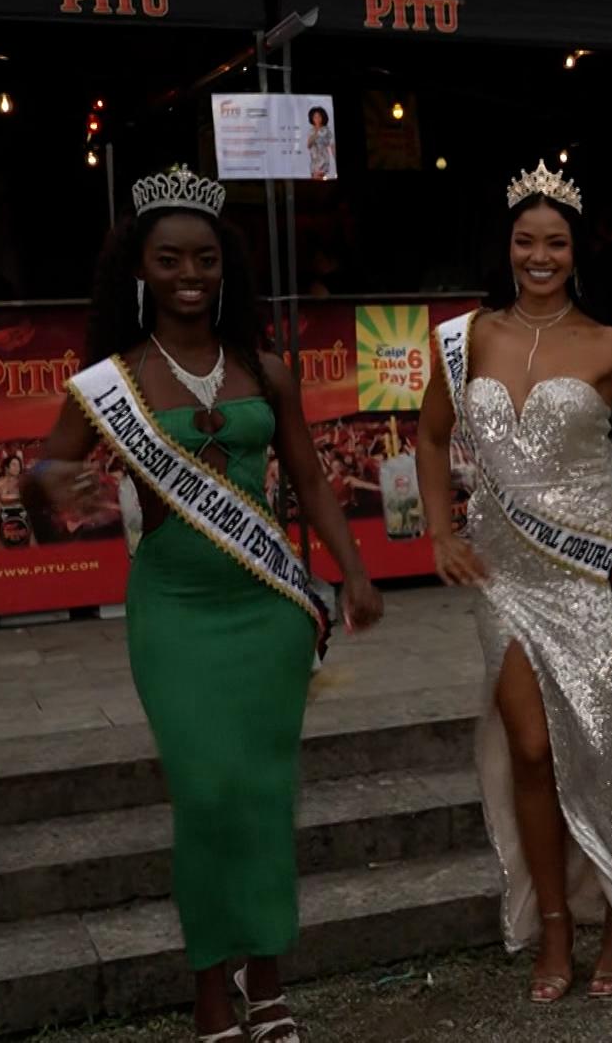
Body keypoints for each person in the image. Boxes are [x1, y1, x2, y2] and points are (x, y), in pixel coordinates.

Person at [27, 167, 383, 1043]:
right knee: (206, 793)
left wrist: (353, 569)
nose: (190, 274)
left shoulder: (268, 369)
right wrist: (52, 485)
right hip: (175, 610)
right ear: (139, 271)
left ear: (227, 267)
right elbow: (41, 480)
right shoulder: (111, 382)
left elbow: (308, 477)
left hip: (265, 611)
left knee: (263, 795)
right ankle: (208, 990)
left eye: (206, 259)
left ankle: (266, 984)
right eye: (170, 260)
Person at [417, 160, 612, 1003]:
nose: (539, 256)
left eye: (555, 242)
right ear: (508, 247)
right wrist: (441, 529)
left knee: (606, 748)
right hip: (504, 575)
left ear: (576, 250)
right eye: (526, 241)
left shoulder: (611, 345)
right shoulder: (469, 337)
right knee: (527, 746)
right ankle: (553, 926)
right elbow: (429, 436)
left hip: (593, 574)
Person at [306, 107, 336, 181]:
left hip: (323, 159)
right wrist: (316, 132)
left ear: (323, 117)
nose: (317, 119)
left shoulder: (326, 130)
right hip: (314, 160)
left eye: (319, 116)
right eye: (315, 117)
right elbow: (308, 145)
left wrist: (335, 157)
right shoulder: (311, 131)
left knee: (320, 178)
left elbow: (332, 145)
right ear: (312, 118)